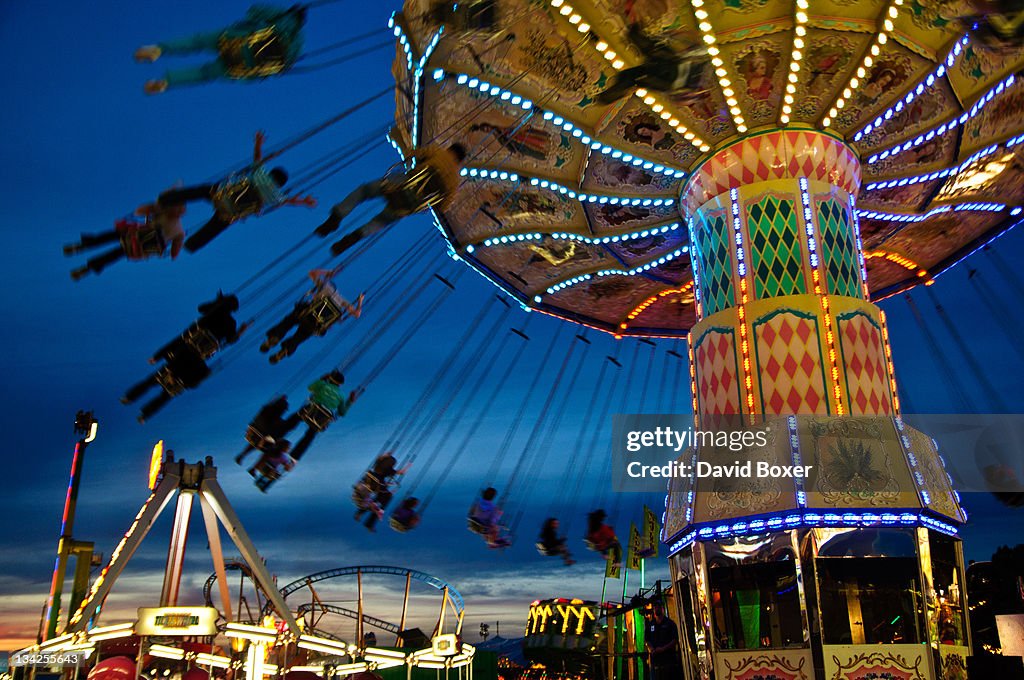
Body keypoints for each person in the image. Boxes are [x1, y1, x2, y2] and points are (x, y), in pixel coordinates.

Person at [156, 131, 315, 253]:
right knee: (214, 229)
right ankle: (191, 246)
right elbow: (288, 201)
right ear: (280, 184)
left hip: (221, 196)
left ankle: (167, 198)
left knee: (201, 191)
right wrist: (304, 201)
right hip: (230, 212)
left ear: (271, 174)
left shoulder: (261, 175)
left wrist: (258, 143)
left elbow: (257, 159)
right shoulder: (276, 195)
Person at [315, 143, 466, 256]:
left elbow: (414, 153)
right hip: (408, 205)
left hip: (399, 185)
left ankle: (336, 216)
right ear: (459, 161)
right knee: (380, 222)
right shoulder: (454, 183)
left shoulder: (438, 152)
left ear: (450, 149)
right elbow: (443, 207)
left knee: (364, 191)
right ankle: (354, 237)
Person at [135, 4, 308, 94]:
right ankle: (166, 83)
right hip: (243, 67)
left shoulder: (282, 15)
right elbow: (283, 68)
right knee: (205, 73)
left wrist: (281, 14)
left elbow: (255, 10)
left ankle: (158, 50)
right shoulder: (298, 43)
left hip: (237, 39)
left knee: (198, 41)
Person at [260, 269, 364, 363]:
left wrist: (327, 272)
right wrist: (360, 301)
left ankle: (275, 336)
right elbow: (357, 314)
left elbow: (312, 273)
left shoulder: (328, 288)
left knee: (288, 322)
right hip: (316, 324)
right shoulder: (343, 302)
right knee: (300, 337)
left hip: (306, 312)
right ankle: (286, 349)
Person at [65, 201, 186, 280]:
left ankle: (83, 247)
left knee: (114, 238)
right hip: (141, 244)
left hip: (138, 237)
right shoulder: (179, 231)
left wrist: (152, 209)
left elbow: (139, 211)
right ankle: (86, 266)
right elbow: (174, 254)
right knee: (117, 251)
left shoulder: (163, 213)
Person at [596, 24, 708, 105]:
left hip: (668, 74)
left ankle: (634, 34)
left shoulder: (691, 80)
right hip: (669, 73)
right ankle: (634, 34)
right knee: (650, 57)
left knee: (647, 61)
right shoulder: (694, 77)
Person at [150, 292, 249, 365]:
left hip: (194, 335)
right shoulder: (231, 323)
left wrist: (216, 302)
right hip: (205, 348)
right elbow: (230, 340)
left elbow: (201, 308)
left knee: (179, 340)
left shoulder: (214, 309)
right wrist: (240, 332)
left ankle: (156, 357)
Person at [121, 347, 212, 423]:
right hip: (172, 376)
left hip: (171, 375)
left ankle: (130, 399)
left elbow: (173, 358)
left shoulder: (188, 352)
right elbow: (193, 385)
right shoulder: (202, 368)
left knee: (151, 387)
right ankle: (143, 414)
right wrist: (175, 376)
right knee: (161, 397)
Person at [285, 370, 359, 462]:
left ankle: (278, 433)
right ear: (340, 384)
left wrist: (322, 379)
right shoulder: (341, 396)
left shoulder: (323, 385)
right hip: (321, 420)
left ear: (330, 378)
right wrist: (350, 401)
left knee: (295, 417)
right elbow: (342, 413)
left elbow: (310, 387)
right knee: (310, 435)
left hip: (311, 411)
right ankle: (295, 456)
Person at [236, 396, 300, 464]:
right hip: (263, 430)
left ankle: (243, 456)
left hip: (259, 428)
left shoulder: (266, 412)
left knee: (259, 441)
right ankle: (300, 414)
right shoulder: (273, 418)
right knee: (285, 428)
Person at [646, 602, 683, 680]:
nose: (657, 609)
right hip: (655, 661)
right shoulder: (650, 625)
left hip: (668, 661)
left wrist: (663, 649)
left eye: (659, 607)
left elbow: (675, 640)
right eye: (655, 607)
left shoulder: (670, 624)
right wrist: (651, 649)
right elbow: (647, 640)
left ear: (663, 609)